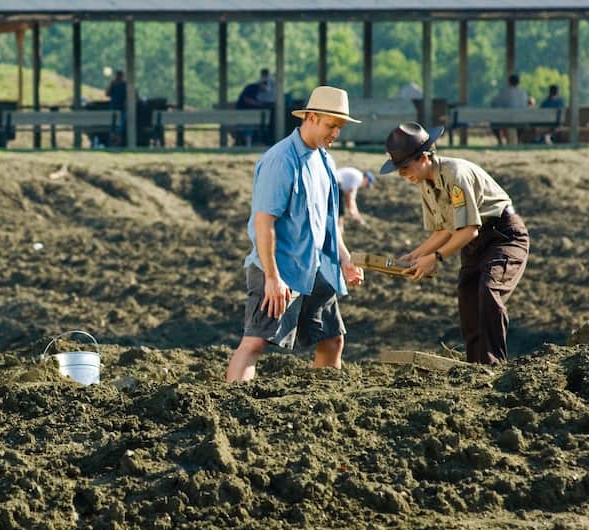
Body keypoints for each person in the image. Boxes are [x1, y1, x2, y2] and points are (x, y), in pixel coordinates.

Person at [225, 86, 365, 383]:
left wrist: (344, 260)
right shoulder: (281, 160)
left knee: (332, 339)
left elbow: (328, 222)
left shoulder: (326, 161)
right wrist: (273, 279)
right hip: (281, 269)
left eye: (339, 127)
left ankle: (324, 398)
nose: (335, 134)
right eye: (331, 126)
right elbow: (265, 223)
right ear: (311, 117)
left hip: (316, 269)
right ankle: (230, 405)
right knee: (255, 343)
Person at [380, 122, 529, 364]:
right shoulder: (426, 184)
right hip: (473, 242)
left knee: (489, 290)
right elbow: (442, 231)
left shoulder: (454, 173)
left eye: (405, 167)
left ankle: (495, 365)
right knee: (468, 297)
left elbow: (469, 229)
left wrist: (436, 258)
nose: (402, 174)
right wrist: (414, 255)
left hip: (502, 236)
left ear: (424, 158)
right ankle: (475, 367)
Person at [235, 68, 276, 146]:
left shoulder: (261, 92)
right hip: (244, 113)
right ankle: (248, 144)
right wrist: (260, 104)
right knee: (249, 124)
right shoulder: (253, 87)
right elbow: (247, 100)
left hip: (253, 114)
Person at [491, 74, 529, 145]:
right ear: (518, 82)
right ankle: (518, 140)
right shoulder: (523, 94)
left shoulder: (504, 92)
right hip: (521, 121)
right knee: (523, 125)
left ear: (509, 82)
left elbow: (494, 103)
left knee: (494, 124)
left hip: (505, 120)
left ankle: (500, 141)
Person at [106, 70, 128, 146]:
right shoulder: (115, 84)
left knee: (118, 128)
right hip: (116, 109)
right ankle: (115, 142)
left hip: (120, 109)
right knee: (117, 127)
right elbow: (107, 93)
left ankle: (117, 142)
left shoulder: (125, 85)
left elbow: (107, 93)